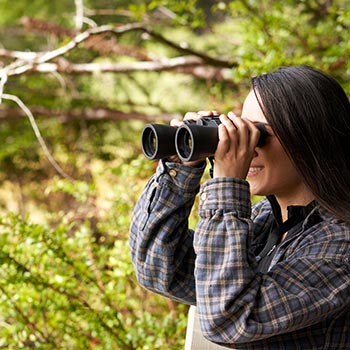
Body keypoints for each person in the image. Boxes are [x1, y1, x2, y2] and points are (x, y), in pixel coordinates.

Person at [129, 65, 350, 349]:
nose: (245, 148)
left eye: (258, 135)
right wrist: (181, 167)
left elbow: (228, 318)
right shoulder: (264, 220)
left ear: (309, 138)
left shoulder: (339, 246)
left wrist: (227, 184)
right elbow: (160, 271)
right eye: (240, 130)